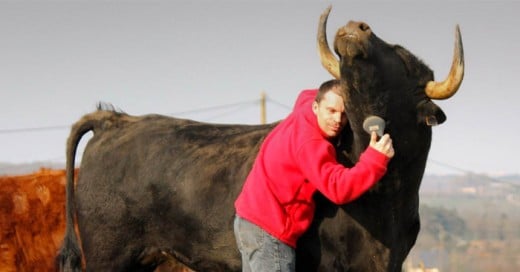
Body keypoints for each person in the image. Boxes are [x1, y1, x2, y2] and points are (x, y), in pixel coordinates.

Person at [233, 79, 395, 272]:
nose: (338, 120)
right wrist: (375, 160)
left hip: (247, 220)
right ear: (316, 106)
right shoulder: (311, 145)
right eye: (331, 111)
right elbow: (338, 187)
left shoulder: (304, 109)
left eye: (344, 114)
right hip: (270, 232)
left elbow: (306, 93)